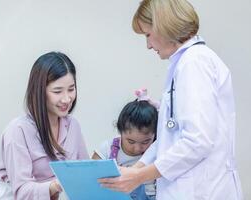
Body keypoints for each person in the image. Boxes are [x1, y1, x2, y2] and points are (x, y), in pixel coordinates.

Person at [99, 0, 243, 199]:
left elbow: (197, 142)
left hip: (203, 191)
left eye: (148, 35)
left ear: (164, 26)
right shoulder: (185, 64)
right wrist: (137, 168)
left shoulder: (195, 63)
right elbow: (169, 140)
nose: (148, 45)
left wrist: (140, 176)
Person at [0, 52, 89, 200]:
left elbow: (84, 170)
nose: (67, 99)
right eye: (57, 91)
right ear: (39, 91)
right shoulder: (17, 130)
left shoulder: (73, 125)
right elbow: (22, 191)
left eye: (71, 89)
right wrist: (56, 185)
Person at [92, 88, 158, 200]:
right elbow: (91, 177)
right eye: (130, 141)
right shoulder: (107, 148)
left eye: (146, 142)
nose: (137, 148)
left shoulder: (158, 153)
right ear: (120, 131)